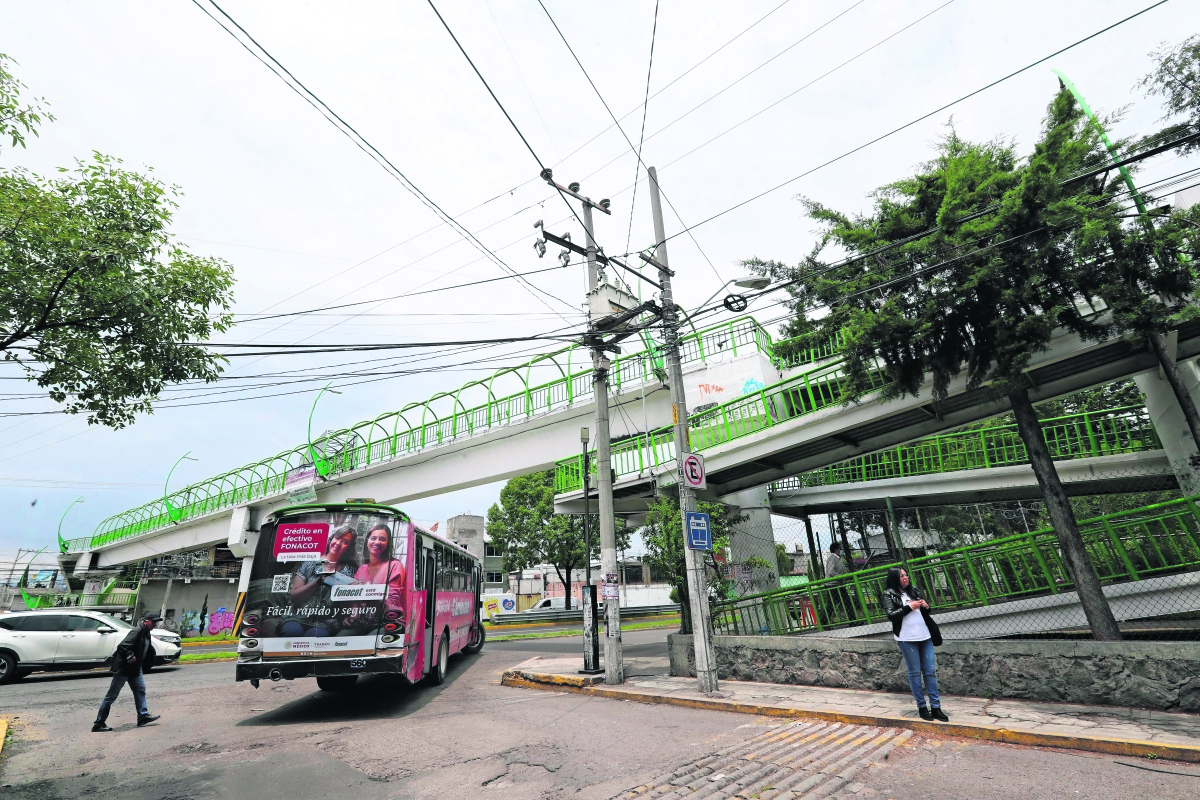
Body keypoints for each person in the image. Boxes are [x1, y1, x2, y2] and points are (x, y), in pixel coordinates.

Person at [884, 567, 948, 722]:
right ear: (894, 578)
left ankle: (936, 708)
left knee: (930, 672)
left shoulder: (914, 590)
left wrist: (926, 607)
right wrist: (908, 607)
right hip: (907, 638)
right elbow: (891, 615)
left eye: (906, 575)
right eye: (901, 576)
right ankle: (922, 707)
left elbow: (924, 612)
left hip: (925, 636)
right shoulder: (889, 594)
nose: (906, 578)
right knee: (914, 673)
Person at [278, 525, 359, 637]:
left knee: (314, 638)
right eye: (337, 538)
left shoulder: (350, 571)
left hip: (325, 622)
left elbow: (353, 602)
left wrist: (351, 616)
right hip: (296, 617)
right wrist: (317, 582)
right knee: (292, 632)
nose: (338, 543)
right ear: (331, 539)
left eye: (345, 542)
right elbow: (293, 596)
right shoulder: (310, 562)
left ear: (349, 547)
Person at [93, 612, 162, 732]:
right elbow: (123, 646)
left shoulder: (146, 633)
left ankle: (143, 716)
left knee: (140, 690)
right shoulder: (137, 631)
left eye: (156, 622)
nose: (155, 624)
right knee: (111, 696)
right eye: (153, 622)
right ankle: (99, 723)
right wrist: (130, 655)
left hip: (136, 668)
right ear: (146, 621)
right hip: (124, 668)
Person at [346, 523, 405, 633]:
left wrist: (367, 592)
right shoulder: (361, 570)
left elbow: (392, 602)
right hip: (361, 622)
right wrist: (352, 617)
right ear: (367, 542)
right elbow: (356, 604)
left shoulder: (395, 566)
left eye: (382, 539)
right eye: (373, 538)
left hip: (388, 621)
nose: (377, 542)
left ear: (388, 544)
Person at [821, 541, 856, 624]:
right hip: (832, 585)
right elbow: (831, 572)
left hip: (838, 584)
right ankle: (824, 622)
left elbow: (839, 571)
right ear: (837, 550)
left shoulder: (838, 559)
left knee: (846, 602)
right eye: (840, 549)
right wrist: (841, 577)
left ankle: (853, 621)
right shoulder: (832, 558)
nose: (842, 550)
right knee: (832, 605)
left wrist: (845, 576)